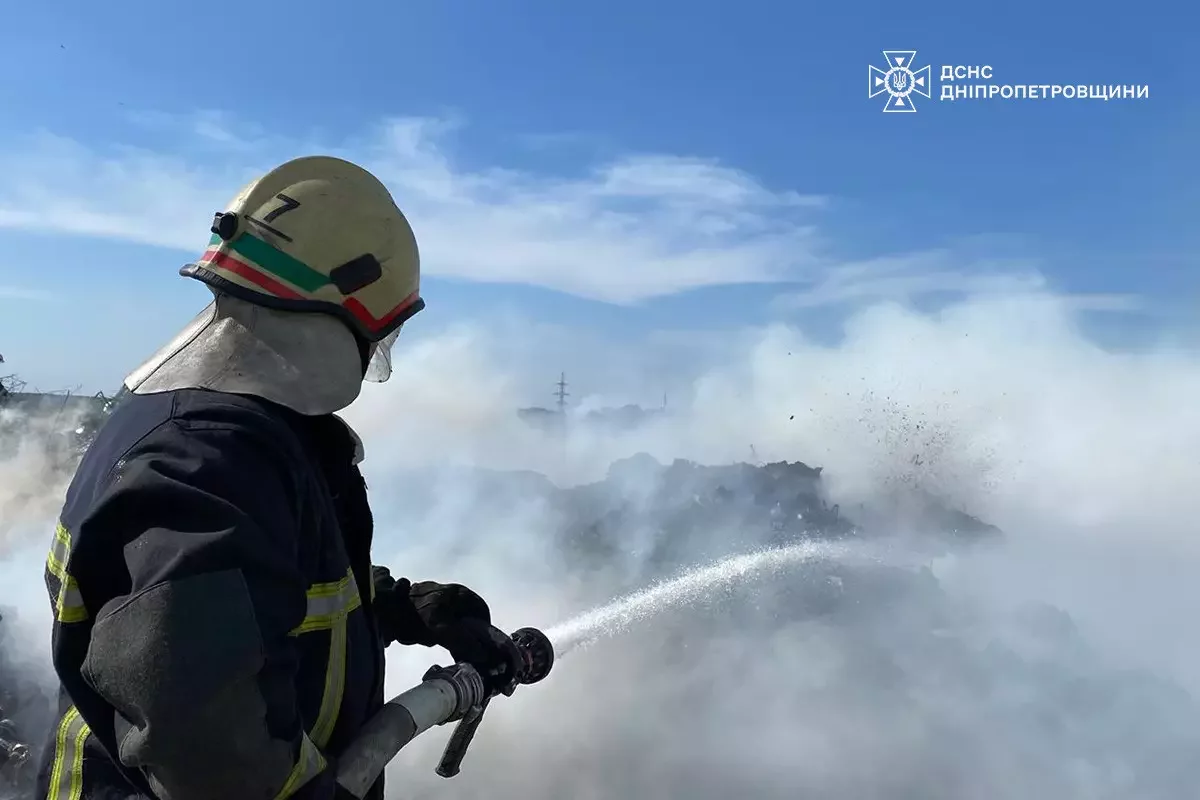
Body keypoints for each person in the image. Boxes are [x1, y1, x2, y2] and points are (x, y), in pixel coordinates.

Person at [35, 156, 522, 800]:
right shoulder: (205, 460)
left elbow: (256, 592)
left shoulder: (239, 432)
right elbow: (205, 743)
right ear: (341, 313)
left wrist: (404, 609)